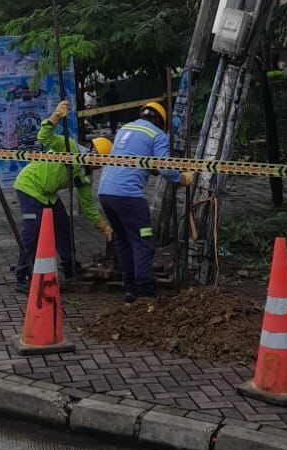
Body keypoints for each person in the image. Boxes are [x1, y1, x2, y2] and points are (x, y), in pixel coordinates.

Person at [97, 100, 193, 303]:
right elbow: (165, 168)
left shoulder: (125, 129)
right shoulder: (157, 134)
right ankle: (145, 291)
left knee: (123, 240)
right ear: (160, 121)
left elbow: (135, 159)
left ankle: (130, 288)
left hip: (106, 193)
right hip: (129, 197)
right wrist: (182, 178)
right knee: (143, 240)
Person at [13, 101, 112, 294]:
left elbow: (88, 205)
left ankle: (70, 269)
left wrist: (103, 226)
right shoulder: (70, 147)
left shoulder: (86, 176)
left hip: (48, 195)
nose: (98, 168)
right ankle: (22, 276)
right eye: (99, 162)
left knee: (63, 226)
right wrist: (55, 117)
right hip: (30, 187)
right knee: (32, 233)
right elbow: (44, 136)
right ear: (92, 153)